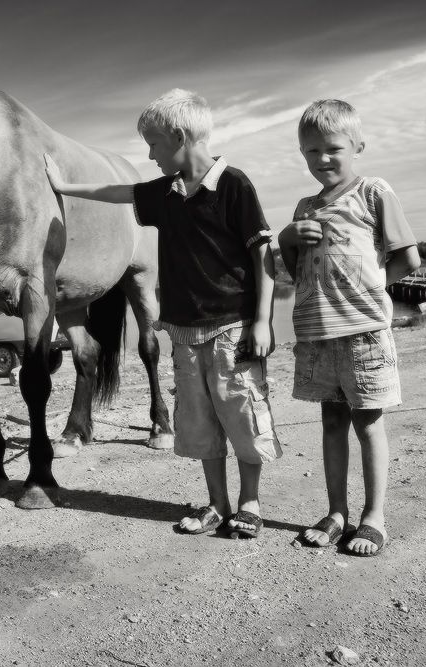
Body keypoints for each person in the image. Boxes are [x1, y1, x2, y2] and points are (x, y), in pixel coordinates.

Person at [45, 88, 280, 539]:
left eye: (153, 143)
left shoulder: (235, 185)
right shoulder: (166, 192)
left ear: (179, 135)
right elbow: (115, 191)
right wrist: (63, 185)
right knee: (200, 422)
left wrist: (264, 320)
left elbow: (262, 256)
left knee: (243, 416)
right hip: (185, 331)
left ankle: (249, 504)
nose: (149, 154)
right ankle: (217, 503)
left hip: (233, 326)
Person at [277, 99, 421, 556]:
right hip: (317, 335)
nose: (322, 159)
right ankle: (337, 512)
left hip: (363, 334)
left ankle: (373, 517)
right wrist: (288, 237)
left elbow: (407, 258)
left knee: (368, 422)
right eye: (311, 151)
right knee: (331, 421)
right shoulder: (305, 207)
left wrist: (373, 290)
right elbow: (293, 269)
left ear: (358, 145)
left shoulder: (373, 192)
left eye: (333, 148)